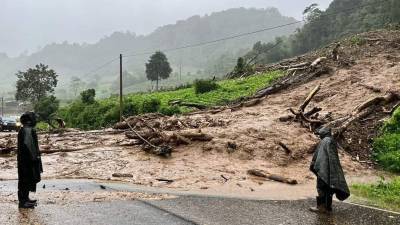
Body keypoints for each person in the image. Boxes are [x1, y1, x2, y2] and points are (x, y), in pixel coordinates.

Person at [309, 127, 350, 213]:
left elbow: (320, 157)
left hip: (323, 169)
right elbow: (331, 158)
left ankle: (322, 207)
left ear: (323, 133)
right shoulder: (331, 140)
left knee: (321, 187)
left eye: (320, 134)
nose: (319, 135)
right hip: (328, 168)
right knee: (328, 188)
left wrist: (315, 164)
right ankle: (328, 207)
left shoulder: (325, 141)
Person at [17, 112, 43, 209]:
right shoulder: (27, 130)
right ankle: (23, 202)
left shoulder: (25, 129)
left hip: (24, 161)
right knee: (25, 180)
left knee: (25, 180)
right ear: (29, 120)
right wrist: (35, 158)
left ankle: (25, 199)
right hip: (27, 161)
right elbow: (30, 146)